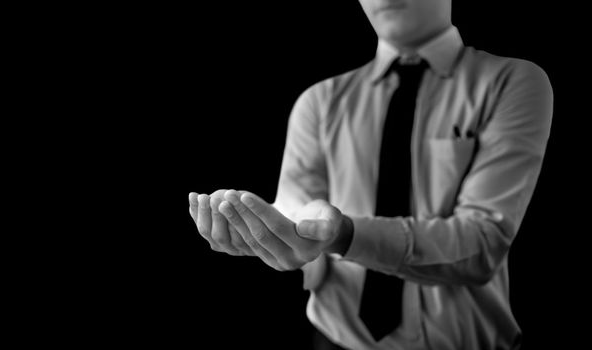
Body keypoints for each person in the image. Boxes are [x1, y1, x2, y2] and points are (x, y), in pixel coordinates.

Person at [187, 0, 553, 349]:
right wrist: (281, 238)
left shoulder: (513, 81)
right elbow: (298, 219)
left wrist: (346, 235)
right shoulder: (318, 103)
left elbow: (483, 242)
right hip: (333, 339)